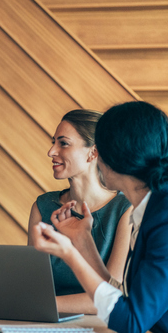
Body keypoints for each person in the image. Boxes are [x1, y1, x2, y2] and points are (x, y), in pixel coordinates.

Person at [30, 101, 168, 333]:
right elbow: (121, 297)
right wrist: (83, 240)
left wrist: (69, 253)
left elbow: (130, 321)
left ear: (114, 156)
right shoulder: (154, 209)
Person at [28, 110, 131, 314]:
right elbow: (33, 285)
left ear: (93, 153)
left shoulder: (125, 210)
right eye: (53, 142)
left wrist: (42, 305)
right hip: (43, 322)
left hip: (101, 327)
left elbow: (112, 294)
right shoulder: (43, 206)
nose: (51, 152)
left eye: (63, 143)